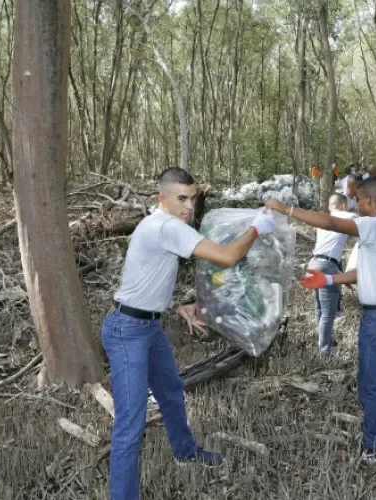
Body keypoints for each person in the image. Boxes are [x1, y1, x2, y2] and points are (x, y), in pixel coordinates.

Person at [102, 167, 275, 500]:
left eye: (192, 199)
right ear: (161, 198)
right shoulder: (166, 226)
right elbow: (227, 257)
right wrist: (256, 227)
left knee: (171, 392)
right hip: (127, 332)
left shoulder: (158, 225)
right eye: (181, 198)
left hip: (148, 326)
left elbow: (145, 276)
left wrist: (174, 307)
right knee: (130, 426)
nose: (188, 207)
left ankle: (185, 452)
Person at [265, 177, 376, 464]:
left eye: (358, 201)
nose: (355, 206)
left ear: (368, 201)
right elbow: (363, 272)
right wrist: (329, 278)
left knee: (370, 381)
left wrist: (287, 209)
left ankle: (374, 448)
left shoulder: (373, 224)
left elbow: (330, 223)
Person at [307, 193, 358, 356]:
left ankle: (324, 342)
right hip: (327, 265)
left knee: (319, 309)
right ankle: (324, 352)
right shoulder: (348, 215)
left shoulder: (323, 221)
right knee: (328, 313)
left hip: (313, 263)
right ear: (343, 205)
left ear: (330, 206)